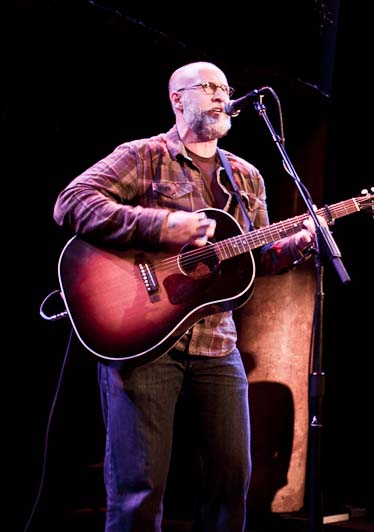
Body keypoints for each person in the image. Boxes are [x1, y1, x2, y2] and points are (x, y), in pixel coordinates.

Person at [53, 61, 317, 531]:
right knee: (140, 491)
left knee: (230, 485)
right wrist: (164, 225)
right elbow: (72, 203)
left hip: (217, 343)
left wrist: (291, 248)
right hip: (144, 339)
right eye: (208, 87)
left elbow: (254, 254)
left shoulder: (246, 176)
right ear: (178, 100)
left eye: (225, 88)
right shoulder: (142, 155)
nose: (221, 95)